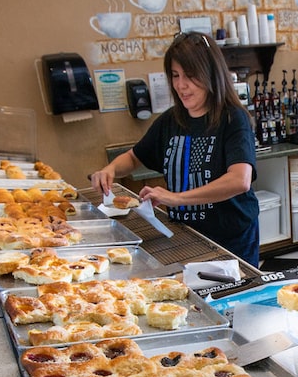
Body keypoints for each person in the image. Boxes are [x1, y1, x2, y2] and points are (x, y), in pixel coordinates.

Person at [91, 31, 260, 266]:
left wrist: (177, 198)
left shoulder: (233, 119)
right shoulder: (171, 120)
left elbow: (239, 180)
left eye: (190, 76)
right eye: (175, 75)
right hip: (186, 235)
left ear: (211, 74)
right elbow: (133, 157)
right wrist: (110, 169)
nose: (181, 85)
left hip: (229, 242)